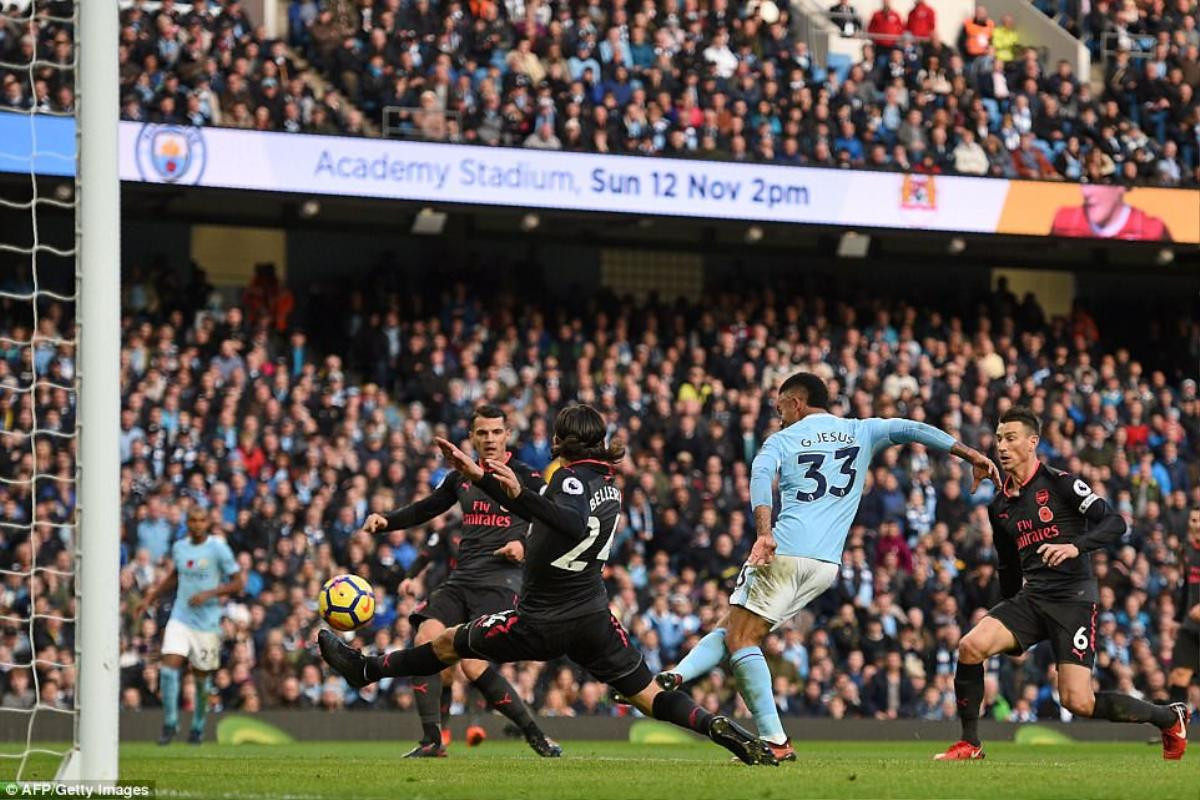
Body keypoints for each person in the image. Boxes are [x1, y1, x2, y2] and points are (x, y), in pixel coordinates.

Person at [320, 405, 777, 766]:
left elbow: (569, 521)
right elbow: (544, 513)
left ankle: (367, 671)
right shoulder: (606, 482)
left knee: (446, 644)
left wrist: (517, 494)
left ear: (560, 441)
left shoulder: (571, 480)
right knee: (649, 695)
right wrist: (485, 480)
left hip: (540, 618)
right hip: (593, 616)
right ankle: (718, 728)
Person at [657, 372, 1001, 761]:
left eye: (780, 405)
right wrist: (971, 454)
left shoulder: (781, 441)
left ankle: (775, 741)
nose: (777, 413)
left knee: (741, 639)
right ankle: (675, 677)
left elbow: (758, 476)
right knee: (736, 627)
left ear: (797, 402)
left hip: (785, 551)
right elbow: (914, 428)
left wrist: (764, 533)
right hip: (825, 565)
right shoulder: (861, 430)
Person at [936, 407, 1189, 760]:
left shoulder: (1061, 482)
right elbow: (1008, 565)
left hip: (1074, 601)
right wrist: (1006, 613)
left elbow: (1115, 523)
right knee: (970, 646)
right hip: (1032, 598)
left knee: (1077, 701)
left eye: (1010, 439)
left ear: (1032, 443)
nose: (1002, 447)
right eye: (998, 440)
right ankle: (970, 743)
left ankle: (1168, 717)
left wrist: (1074, 547)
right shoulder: (999, 507)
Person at [361, 404, 557, 758]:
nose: (490, 439)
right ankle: (432, 740)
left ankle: (535, 733)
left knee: (472, 662)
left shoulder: (526, 477)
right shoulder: (460, 477)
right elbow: (426, 509)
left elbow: (554, 522)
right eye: (482, 433)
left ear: (507, 434)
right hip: (461, 578)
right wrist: (386, 521)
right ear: (471, 438)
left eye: (496, 432)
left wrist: (524, 545)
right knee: (425, 639)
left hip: (502, 582)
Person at [135, 506, 244, 745]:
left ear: (207, 523)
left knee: (201, 679)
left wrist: (210, 593)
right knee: (167, 668)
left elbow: (238, 582)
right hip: (180, 617)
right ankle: (170, 723)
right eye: (192, 520)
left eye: (201, 520)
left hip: (207, 623)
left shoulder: (218, 548)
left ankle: (197, 726)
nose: (196, 524)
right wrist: (149, 598)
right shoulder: (180, 547)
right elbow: (175, 575)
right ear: (187, 522)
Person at [1049, 184, 1173, 241]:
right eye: (1085, 184)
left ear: (1120, 187)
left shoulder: (1151, 229)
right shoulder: (1064, 220)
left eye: (1097, 184)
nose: (1086, 193)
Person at [1167, 507, 1200, 710]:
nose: (1195, 524)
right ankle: (1175, 732)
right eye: (1193, 520)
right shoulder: (1185, 550)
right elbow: (1187, 587)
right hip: (1190, 625)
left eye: (1199, 520)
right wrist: (1177, 619)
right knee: (1179, 676)